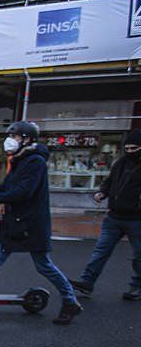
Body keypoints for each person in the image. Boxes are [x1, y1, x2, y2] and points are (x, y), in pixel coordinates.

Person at [0, 120, 82, 325]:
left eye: (15, 137)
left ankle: (70, 301)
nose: (10, 141)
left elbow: (23, 192)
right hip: (15, 223)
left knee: (44, 266)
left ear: (27, 140)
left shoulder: (35, 162)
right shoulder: (21, 160)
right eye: (10, 136)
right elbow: (6, 186)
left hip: (30, 224)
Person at [71, 128, 141, 302]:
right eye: (128, 148)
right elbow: (109, 182)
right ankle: (87, 282)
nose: (130, 151)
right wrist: (102, 193)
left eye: (134, 148)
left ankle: (137, 286)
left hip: (137, 219)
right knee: (100, 250)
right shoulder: (120, 163)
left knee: (139, 254)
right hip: (114, 217)